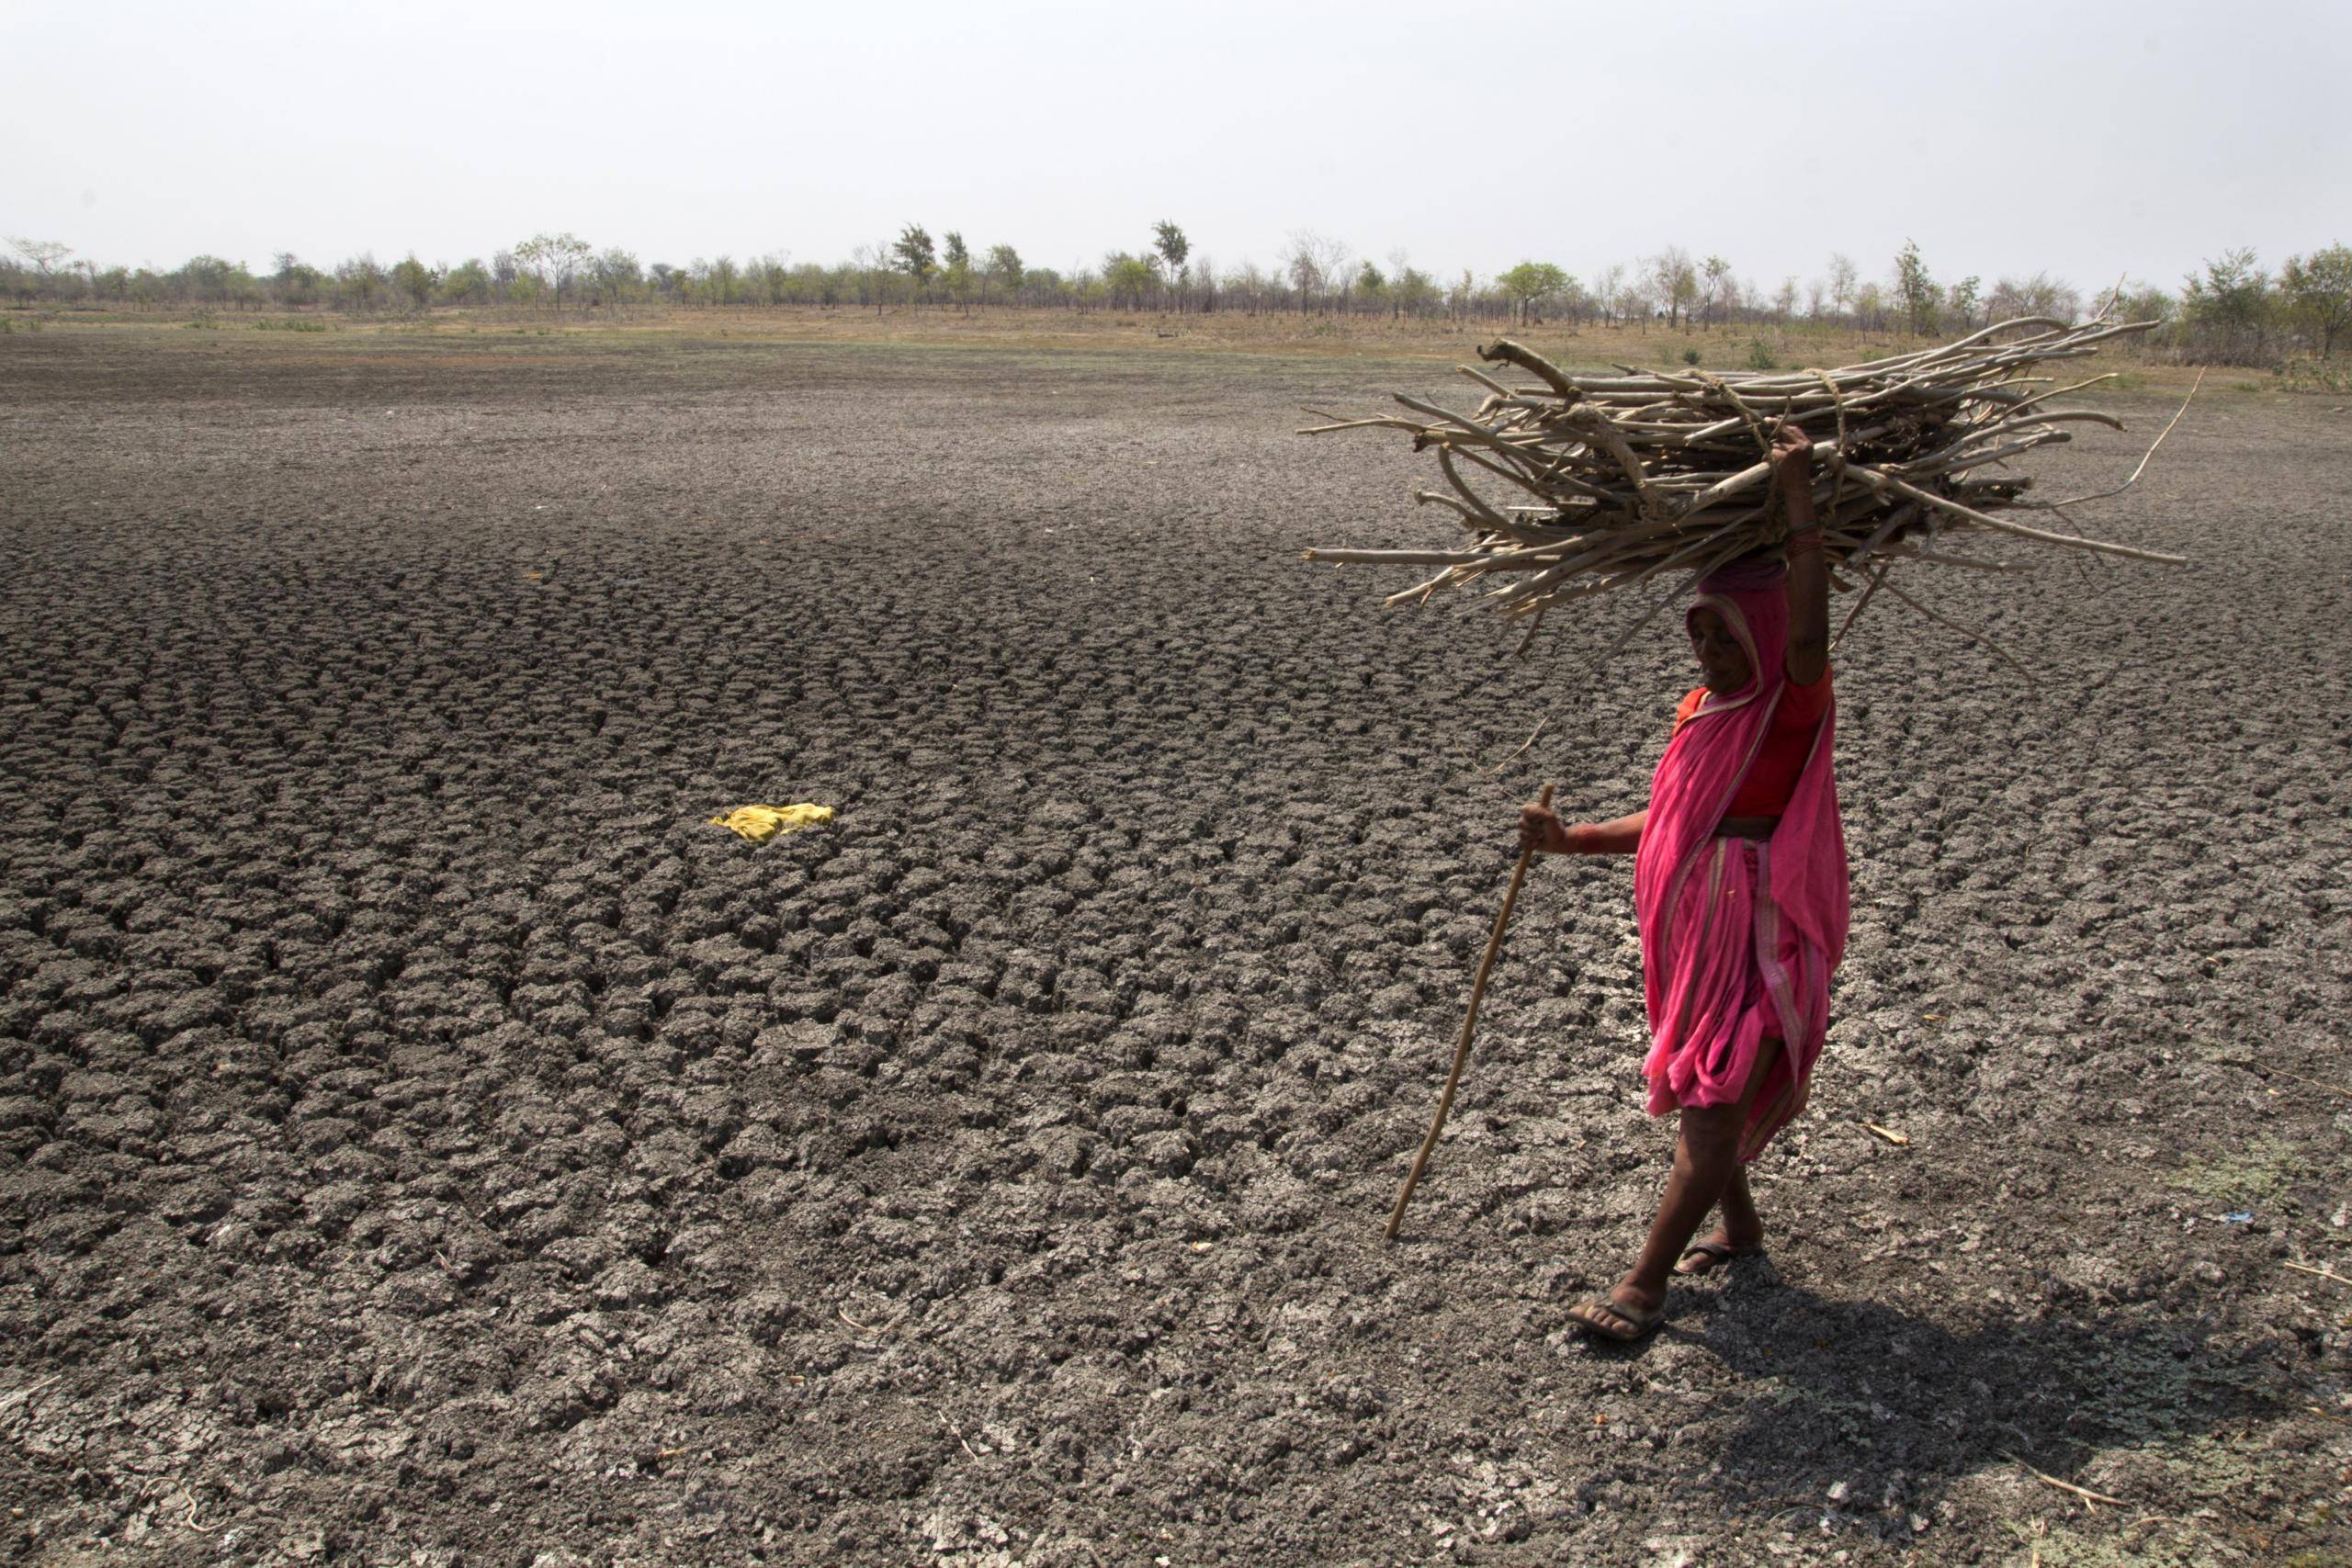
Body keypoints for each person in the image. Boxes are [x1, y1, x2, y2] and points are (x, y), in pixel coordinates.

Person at [1518, 422, 1849, 1341]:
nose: (1708, 649)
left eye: (1726, 634)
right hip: (1693, 939)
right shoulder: (1701, 709)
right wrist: (1572, 839)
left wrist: (1796, 498)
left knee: (1712, 1098)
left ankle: (1643, 1286)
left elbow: (1810, 626)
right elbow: (1671, 819)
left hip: (1757, 930)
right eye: (1698, 631)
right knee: (1708, 1078)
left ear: (1764, 633)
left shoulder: (1788, 701)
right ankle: (1740, 1232)